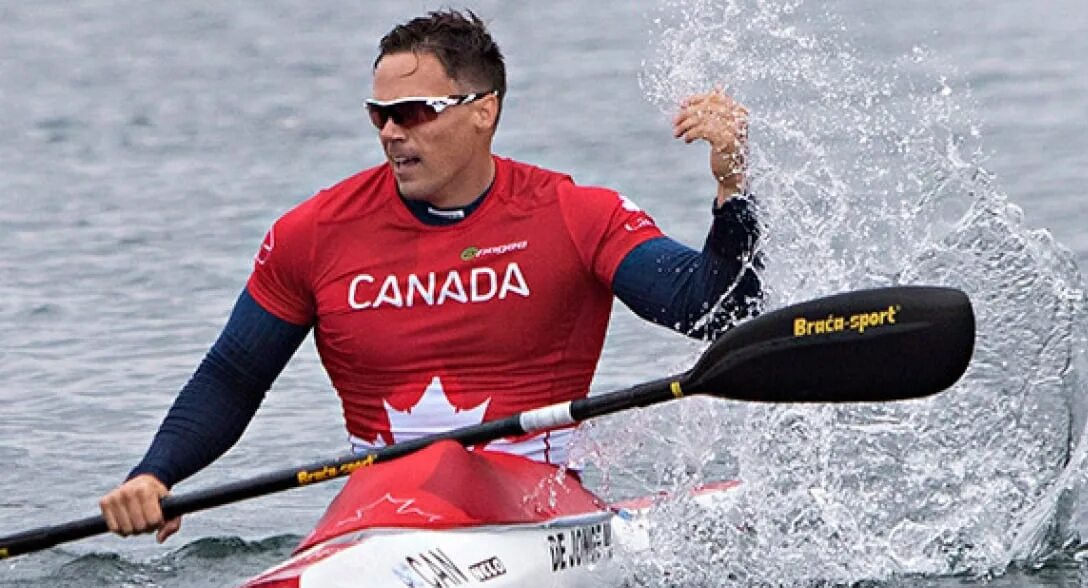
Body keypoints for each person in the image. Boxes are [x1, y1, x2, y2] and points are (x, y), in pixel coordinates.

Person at [99, 10, 761, 543]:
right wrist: (155, 475)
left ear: (484, 111)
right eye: (378, 114)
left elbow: (713, 307)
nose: (390, 132)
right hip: (375, 514)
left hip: (539, 507)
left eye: (414, 111)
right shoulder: (315, 232)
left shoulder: (572, 215)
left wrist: (734, 186)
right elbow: (233, 375)